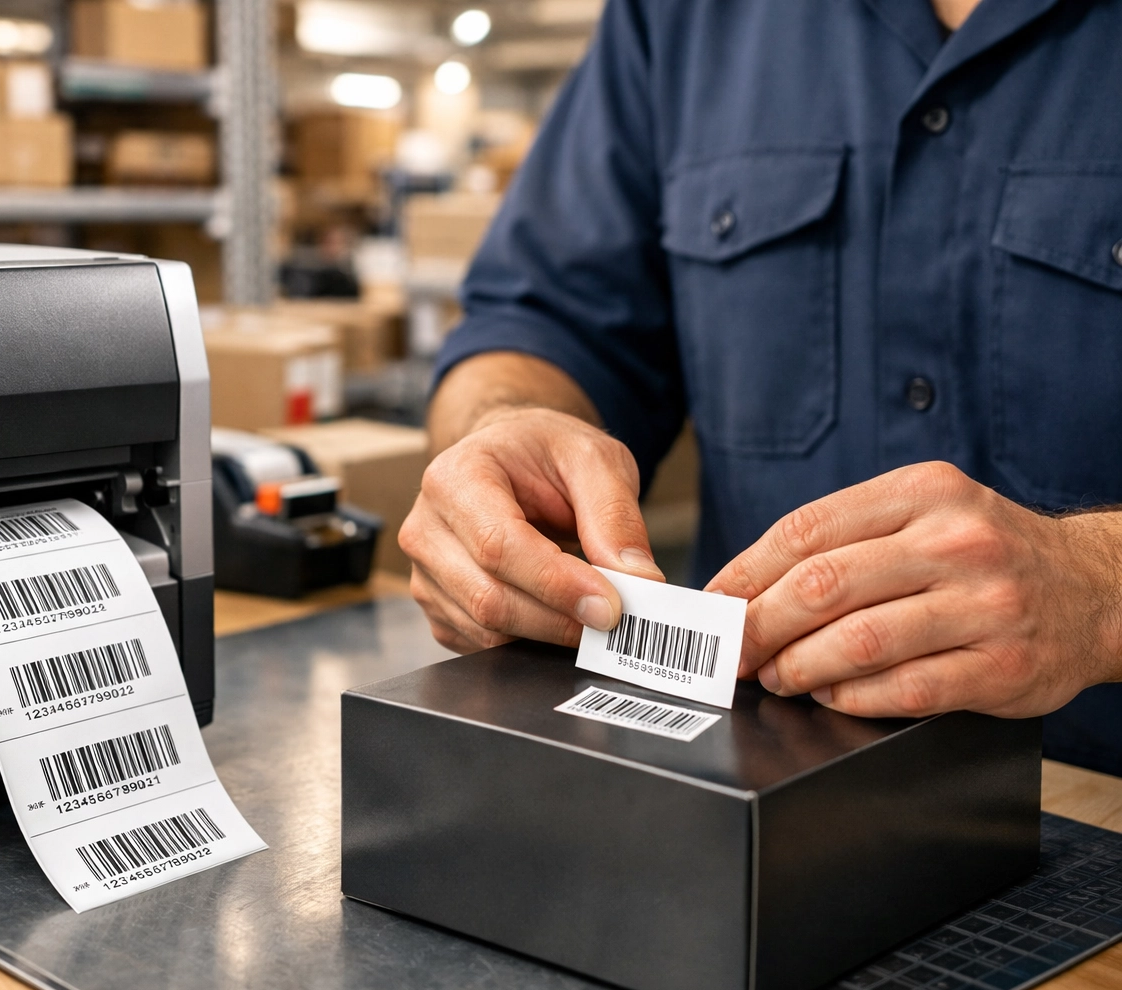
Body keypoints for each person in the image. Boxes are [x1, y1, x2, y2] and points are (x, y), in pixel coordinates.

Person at [400, 0, 1122, 775]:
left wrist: (1100, 589)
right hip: (755, 783)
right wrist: (500, 425)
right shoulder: (681, 19)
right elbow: (546, 319)